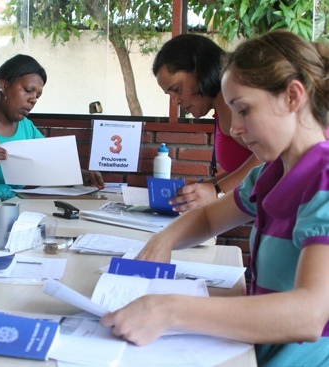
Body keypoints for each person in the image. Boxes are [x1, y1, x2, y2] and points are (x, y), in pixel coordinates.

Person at [100, 30, 329, 366]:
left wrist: (171, 310)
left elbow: (309, 314)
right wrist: (164, 241)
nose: (234, 127)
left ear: (293, 97)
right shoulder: (269, 174)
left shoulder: (323, 181)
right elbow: (209, 217)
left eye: (244, 110)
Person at [0, 54, 104, 238]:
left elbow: (49, 165)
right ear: (4, 85)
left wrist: (81, 175)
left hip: (5, 218)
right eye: (28, 90)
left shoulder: (26, 127)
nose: (33, 99)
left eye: (38, 95)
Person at [152, 34, 262, 212]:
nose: (176, 102)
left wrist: (216, 191)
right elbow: (247, 166)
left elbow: (268, 158)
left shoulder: (227, 103)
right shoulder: (222, 106)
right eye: (170, 96)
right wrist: (207, 186)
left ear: (199, 71)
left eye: (177, 90)